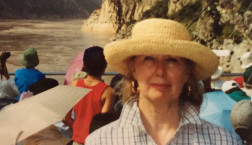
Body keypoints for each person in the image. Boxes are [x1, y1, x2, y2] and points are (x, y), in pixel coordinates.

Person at [85, 18, 242, 145]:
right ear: (134, 70)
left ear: (187, 72)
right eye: (149, 59)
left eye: (172, 60)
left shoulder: (225, 141)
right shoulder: (99, 141)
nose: (160, 71)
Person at [70, 46, 115, 145]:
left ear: (84, 65)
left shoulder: (74, 85)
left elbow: (66, 117)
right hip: (96, 141)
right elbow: (104, 122)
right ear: (104, 67)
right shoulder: (108, 92)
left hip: (77, 140)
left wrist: (77, 129)